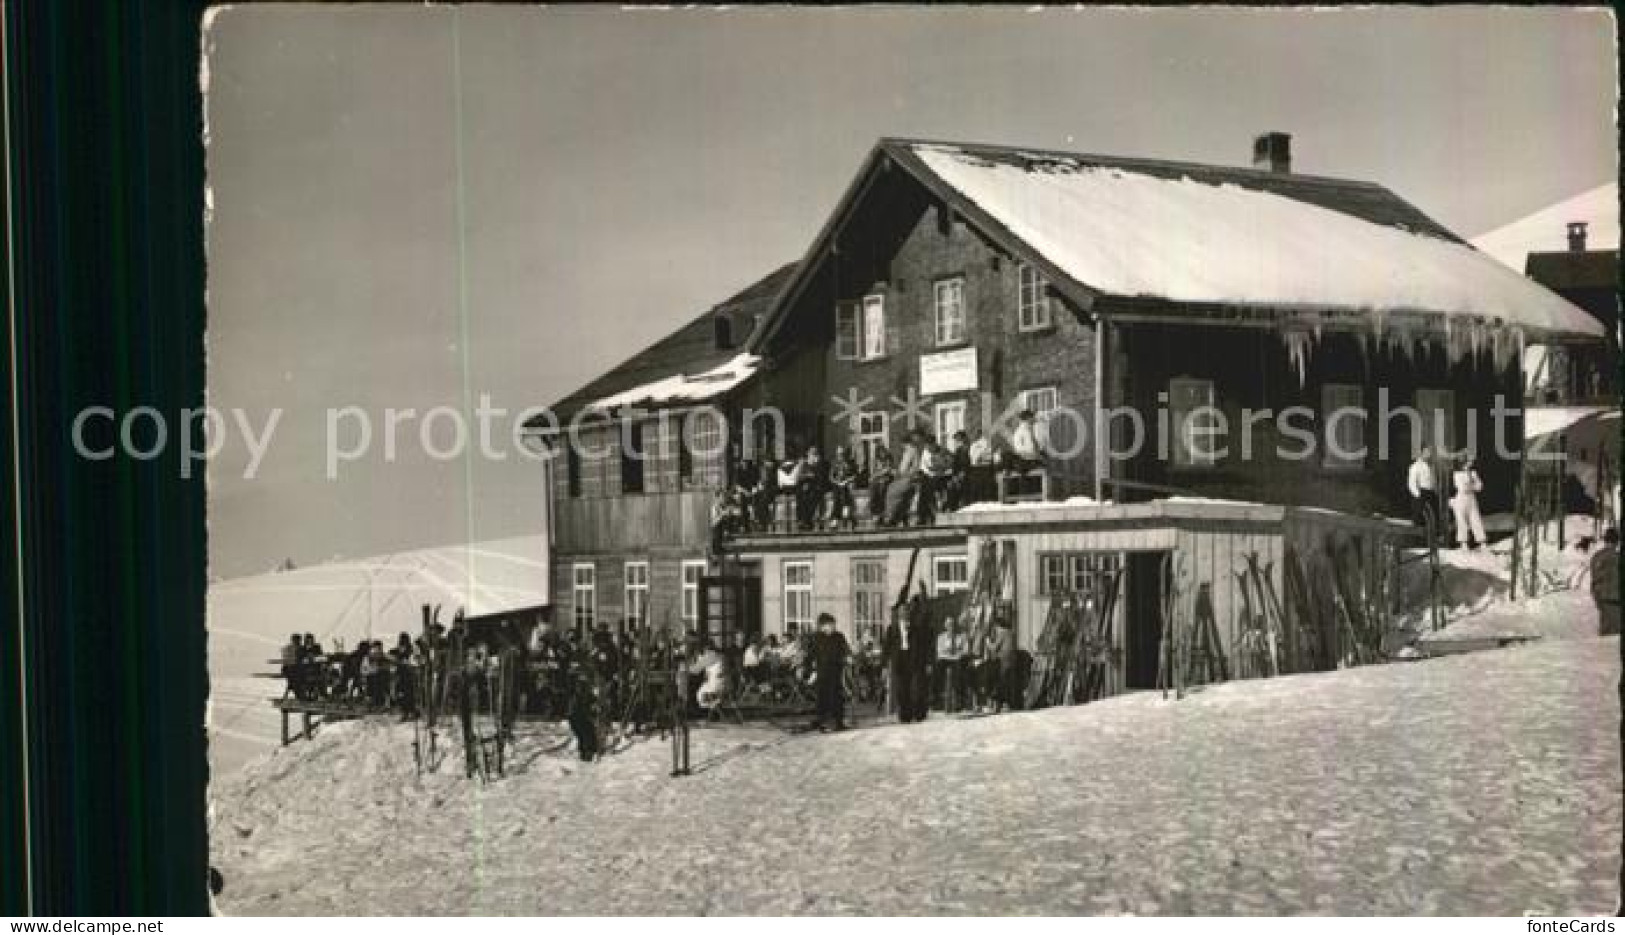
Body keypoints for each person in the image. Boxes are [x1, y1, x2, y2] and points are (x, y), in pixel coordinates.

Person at [883, 594, 935, 723]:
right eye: (901, 612)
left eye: (906, 611)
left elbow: (925, 646)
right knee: (902, 690)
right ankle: (905, 716)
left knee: (916, 688)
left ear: (909, 613)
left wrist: (928, 662)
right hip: (900, 661)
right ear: (898, 614)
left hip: (914, 660)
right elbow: (886, 649)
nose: (904, 614)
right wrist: (884, 666)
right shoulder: (892, 629)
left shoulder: (916, 629)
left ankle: (918, 714)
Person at [810, 613, 851, 731]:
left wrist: (848, 656)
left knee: (837, 697)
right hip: (822, 672)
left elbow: (846, 649)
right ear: (823, 626)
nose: (833, 627)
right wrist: (812, 671)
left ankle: (838, 722)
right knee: (823, 698)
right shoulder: (816, 637)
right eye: (830, 624)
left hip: (836, 671)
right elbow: (812, 655)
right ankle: (823, 723)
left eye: (833, 624)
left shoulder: (839, 636)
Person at [884, 432, 925, 527]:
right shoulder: (911, 451)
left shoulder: (910, 451)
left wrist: (895, 472)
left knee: (891, 491)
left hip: (909, 479)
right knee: (899, 495)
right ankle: (898, 517)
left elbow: (907, 469)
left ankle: (892, 517)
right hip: (909, 478)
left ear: (904, 443)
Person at [1449, 455, 1488, 550]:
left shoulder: (1473, 473)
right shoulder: (1457, 474)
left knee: (1476, 520)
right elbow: (1462, 489)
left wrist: (1471, 485)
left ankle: (1482, 542)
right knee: (1461, 521)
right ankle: (1463, 543)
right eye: (1469, 460)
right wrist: (1472, 485)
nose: (1471, 462)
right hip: (1461, 500)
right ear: (1464, 461)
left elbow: (1480, 486)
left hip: (1471, 499)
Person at [1407, 446, 1443, 543]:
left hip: (1431, 492)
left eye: (1430, 452)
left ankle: (1434, 539)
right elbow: (1411, 483)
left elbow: (1432, 480)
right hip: (1421, 493)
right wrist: (1418, 495)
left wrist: (1435, 489)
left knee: (1435, 515)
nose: (1429, 454)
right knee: (1420, 516)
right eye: (1427, 452)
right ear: (1421, 453)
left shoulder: (1430, 466)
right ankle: (1418, 540)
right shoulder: (1415, 466)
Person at [935, 615, 968, 712]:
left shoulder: (960, 637)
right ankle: (937, 696)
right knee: (938, 667)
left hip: (957, 660)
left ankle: (958, 699)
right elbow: (940, 652)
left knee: (958, 671)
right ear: (945, 626)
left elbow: (965, 650)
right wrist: (951, 655)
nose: (951, 627)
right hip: (945, 660)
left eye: (952, 624)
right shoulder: (940, 637)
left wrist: (959, 654)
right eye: (949, 624)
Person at [1591, 527, 1619, 636]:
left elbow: (1594, 582)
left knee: (1606, 634)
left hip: (1603, 599)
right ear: (1617, 541)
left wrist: (1597, 599)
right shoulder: (1617, 557)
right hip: (1616, 601)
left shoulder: (1596, 557)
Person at [795, 446, 830, 530]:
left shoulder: (820, 465)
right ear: (808, 455)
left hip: (816, 488)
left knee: (812, 498)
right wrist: (807, 476)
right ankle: (803, 520)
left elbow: (822, 478)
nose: (812, 456)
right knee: (801, 498)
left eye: (814, 454)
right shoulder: (803, 464)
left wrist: (817, 466)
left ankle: (806, 521)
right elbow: (798, 477)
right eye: (811, 454)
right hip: (804, 487)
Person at [828, 445, 860, 529]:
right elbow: (831, 476)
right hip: (838, 485)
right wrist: (837, 482)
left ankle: (840, 518)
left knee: (844, 494)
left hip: (847, 484)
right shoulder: (834, 463)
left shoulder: (850, 463)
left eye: (842, 454)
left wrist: (847, 481)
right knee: (838, 496)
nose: (840, 456)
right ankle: (845, 518)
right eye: (838, 454)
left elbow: (855, 475)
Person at [867, 445, 895, 522]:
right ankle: (875, 513)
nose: (882, 454)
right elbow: (872, 473)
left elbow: (888, 470)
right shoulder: (875, 461)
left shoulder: (888, 459)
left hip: (886, 480)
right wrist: (877, 475)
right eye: (881, 452)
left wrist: (879, 474)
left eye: (883, 452)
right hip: (877, 480)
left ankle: (881, 513)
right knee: (873, 490)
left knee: (882, 489)